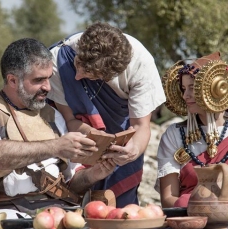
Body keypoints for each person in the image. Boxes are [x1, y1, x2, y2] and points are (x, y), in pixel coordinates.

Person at [0, 38, 116, 218]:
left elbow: (71, 183)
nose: (47, 87)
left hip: (56, 210)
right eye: (38, 80)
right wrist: (56, 146)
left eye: (49, 78)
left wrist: (95, 174)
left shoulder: (53, 115)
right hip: (4, 211)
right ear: (12, 80)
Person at [47, 22, 166, 207]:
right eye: (77, 64)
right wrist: (96, 137)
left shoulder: (141, 65)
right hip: (80, 140)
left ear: (108, 77)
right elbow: (69, 119)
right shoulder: (60, 58)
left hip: (123, 131)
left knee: (121, 208)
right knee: (73, 198)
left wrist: (133, 151)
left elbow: (141, 126)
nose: (77, 76)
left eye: (89, 75)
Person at [155, 51, 228, 208]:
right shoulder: (174, 135)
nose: (186, 95)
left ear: (215, 89)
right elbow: (169, 200)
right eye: (183, 88)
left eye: (192, 88)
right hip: (189, 219)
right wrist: (196, 204)